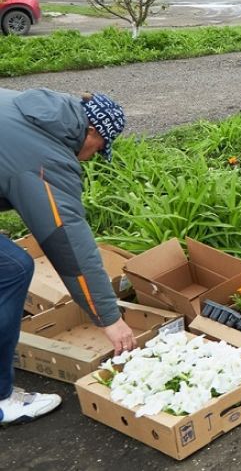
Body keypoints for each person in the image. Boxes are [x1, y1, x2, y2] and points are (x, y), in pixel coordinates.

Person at [0, 88, 136, 424]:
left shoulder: (24, 106)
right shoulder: (48, 158)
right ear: (91, 131)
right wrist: (109, 319)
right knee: (13, 268)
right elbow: (67, 242)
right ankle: (2, 400)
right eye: (99, 149)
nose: (89, 158)